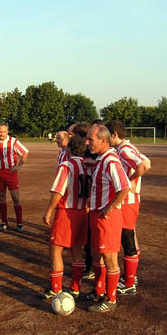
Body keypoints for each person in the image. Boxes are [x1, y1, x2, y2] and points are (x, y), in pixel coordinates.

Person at [81, 124, 130, 313]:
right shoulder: (103, 159)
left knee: (109, 258)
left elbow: (124, 187)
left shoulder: (111, 161)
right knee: (96, 254)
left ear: (103, 141)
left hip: (106, 218)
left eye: (90, 139)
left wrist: (109, 208)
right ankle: (99, 291)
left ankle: (110, 298)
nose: (86, 142)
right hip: (96, 214)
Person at [41, 135, 90, 299]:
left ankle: (55, 289)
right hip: (83, 212)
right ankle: (76, 288)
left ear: (69, 149)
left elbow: (58, 191)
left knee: (55, 249)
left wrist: (49, 211)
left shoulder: (66, 165)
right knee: (77, 249)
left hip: (66, 212)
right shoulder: (88, 166)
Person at [106, 120, 151, 295]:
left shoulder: (124, 149)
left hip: (128, 201)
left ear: (114, 135)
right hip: (130, 200)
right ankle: (131, 276)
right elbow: (146, 161)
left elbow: (144, 166)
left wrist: (131, 180)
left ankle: (129, 283)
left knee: (127, 237)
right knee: (130, 235)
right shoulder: (126, 147)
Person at [0, 123, 29, 232]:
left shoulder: (13, 141)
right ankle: (4, 222)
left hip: (11, 173)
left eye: (4, 131)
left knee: (15, 198)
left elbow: (25, 153)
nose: (2, 133)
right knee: (1, 198)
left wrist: (19, 165)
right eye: (0, 131)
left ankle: (19, 223)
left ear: (7, 131)